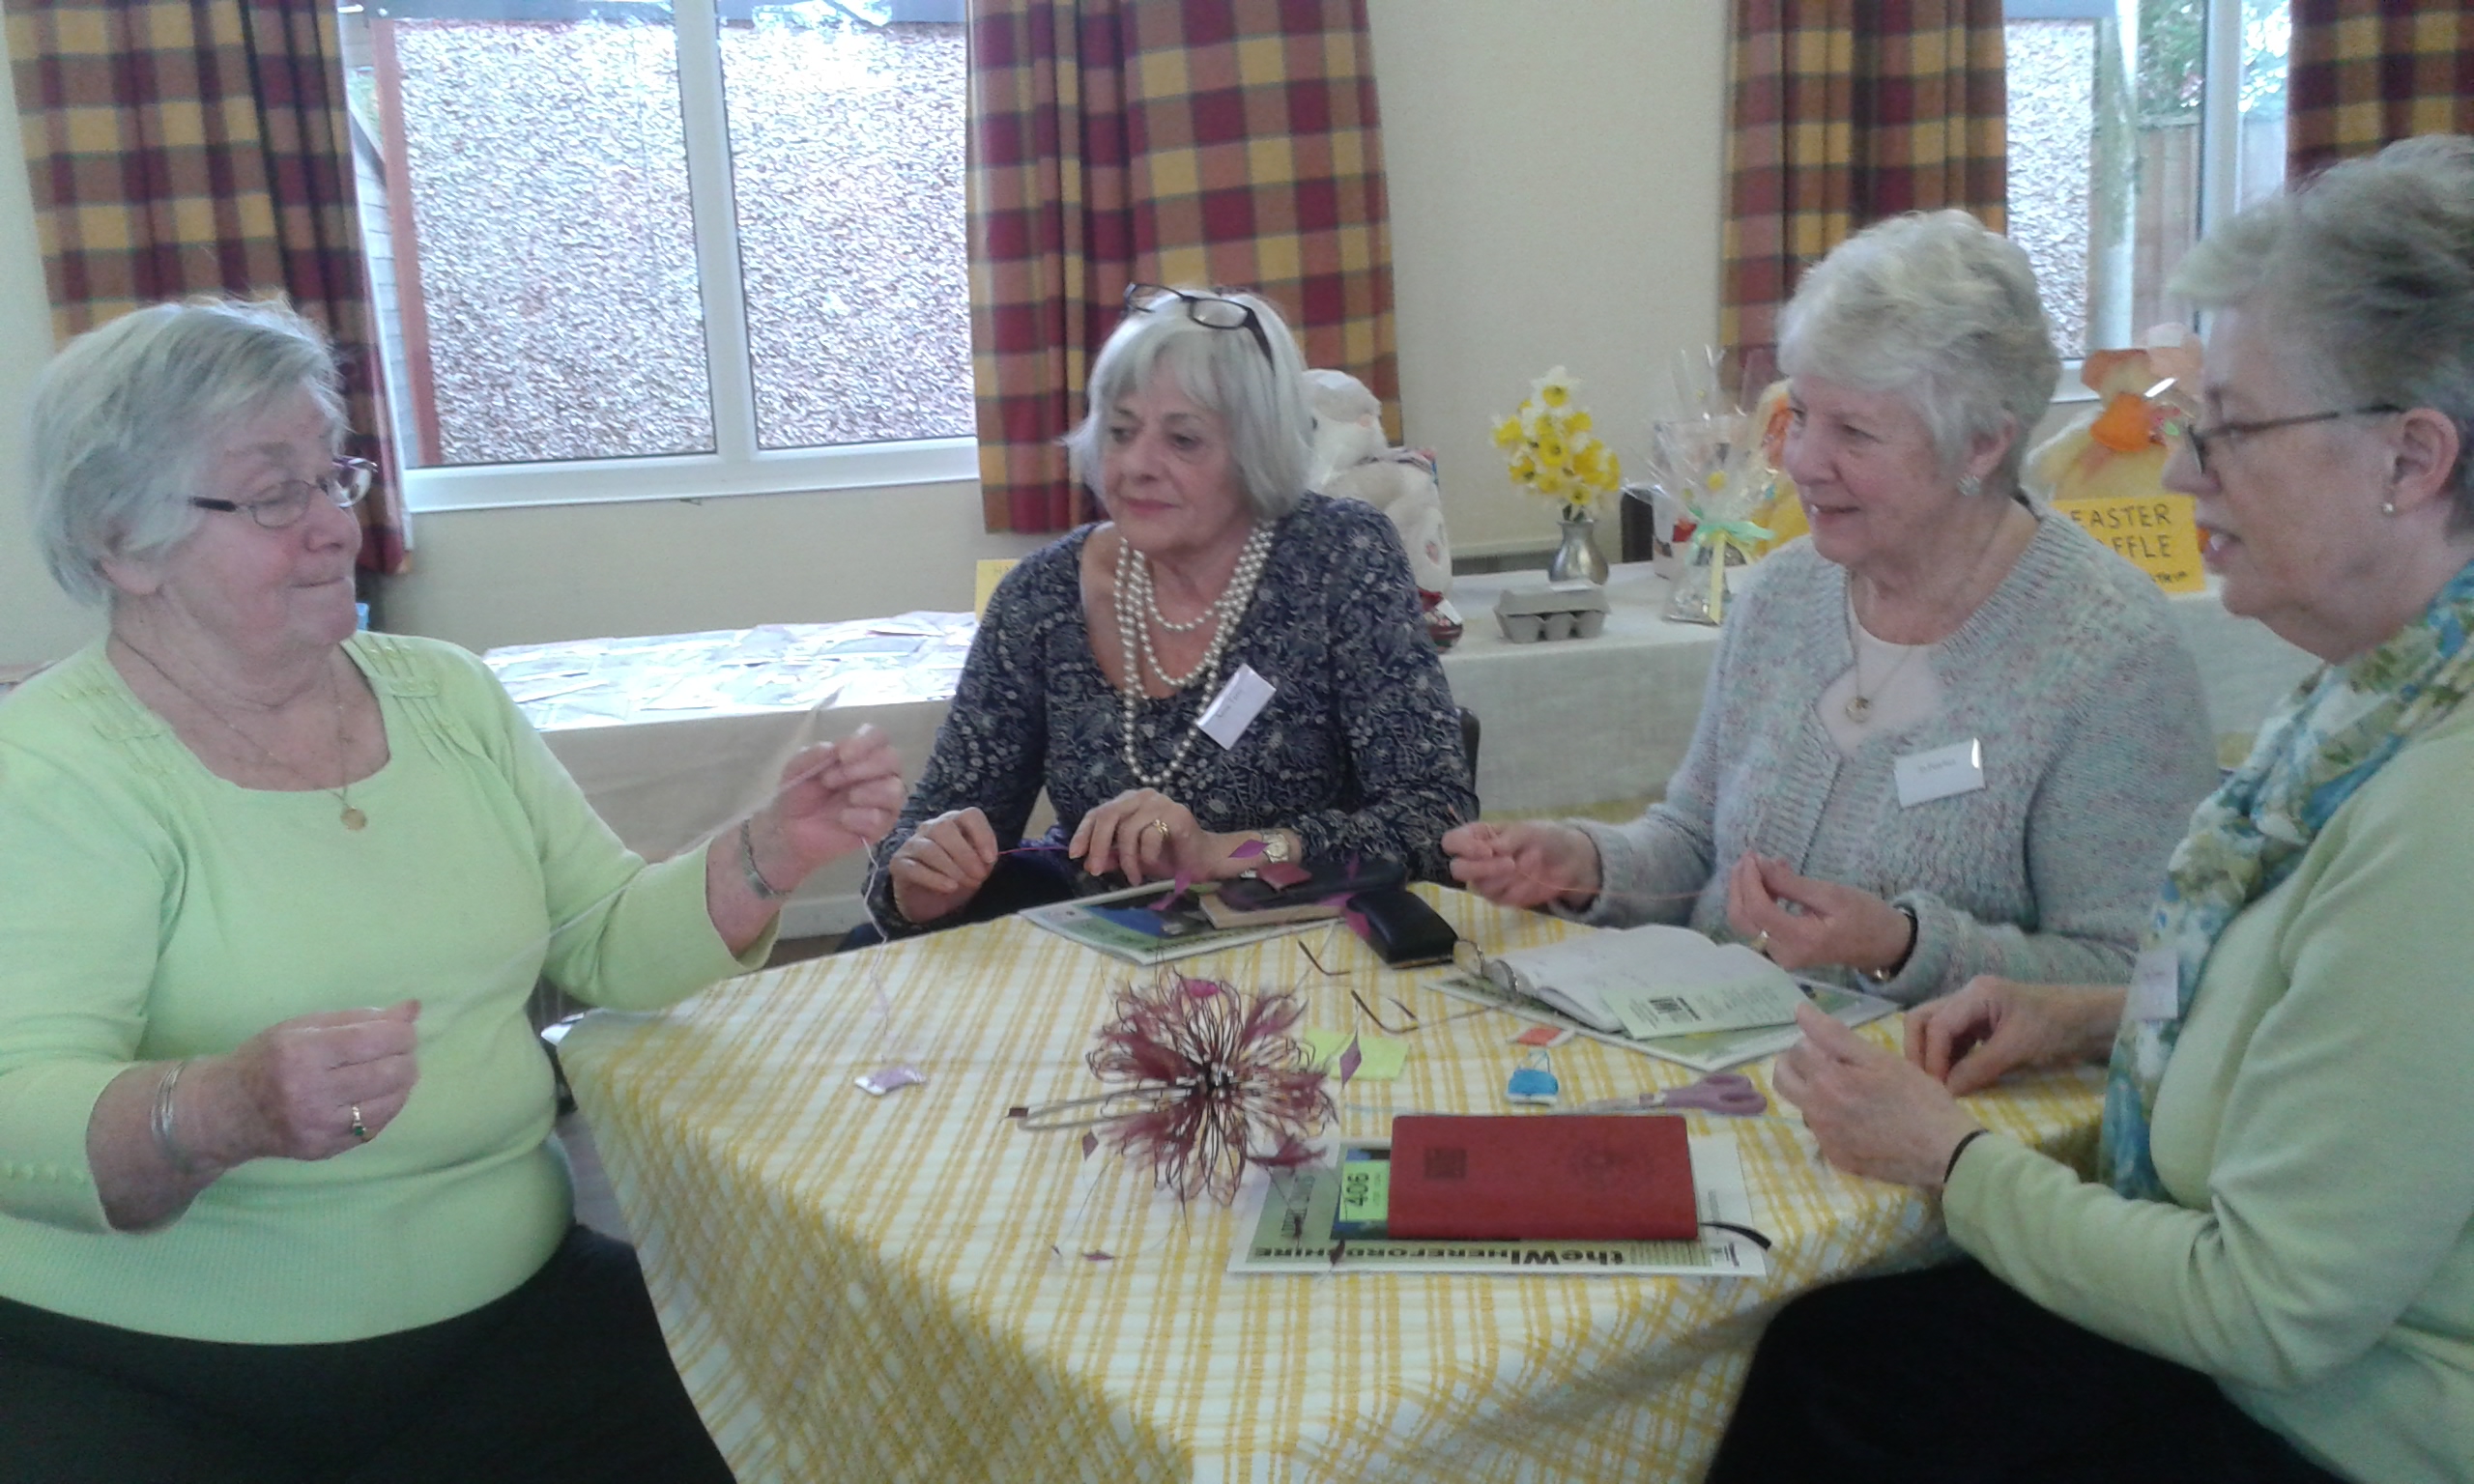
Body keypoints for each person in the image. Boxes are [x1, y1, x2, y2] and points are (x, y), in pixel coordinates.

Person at [0, 299, 906, 1482]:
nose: (333, 527)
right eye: (274, 495)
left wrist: (766, 852)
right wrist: (223, 1107)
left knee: (803, 1420)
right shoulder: (54, 767)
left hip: (507, 1311)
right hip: (155, 1364)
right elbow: (17, 1104)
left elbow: (603, 941)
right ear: (121, 541)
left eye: (335, 478)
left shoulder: (445, 697)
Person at [1714, 136, 2474, 1484]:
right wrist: (2087, 1013)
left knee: (1833, 1379)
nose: (2180, 475)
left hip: (2343, 1433)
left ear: (2412, 460)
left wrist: (1951, 1158)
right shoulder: (2371, 704)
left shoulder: (2443, 798)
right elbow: (2344, 1029)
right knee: (1836, 1351)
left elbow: (2268, 1307)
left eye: (2229, 427)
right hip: (2276, 1372)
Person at [1444, 212, 2219, 1001]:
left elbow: (2140, 977)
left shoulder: (2109, 653)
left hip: (1930, 1109)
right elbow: (1693, 840)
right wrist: (1584, 864)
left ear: (1982, 444)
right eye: (1802, 417)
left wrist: (1905, 946)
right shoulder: (1783, 594)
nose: (1803, 463)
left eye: (1854, 432)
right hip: (1733, 1075)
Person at [866, 284, 1473, 935]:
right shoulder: (1040, 598)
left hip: (1311, 950)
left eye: (1183, 440)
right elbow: (929, 836)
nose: (1136, 465)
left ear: (1256, 448)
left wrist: (1228, 852)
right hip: (1094, 961)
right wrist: (923, 883)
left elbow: (1435, 821)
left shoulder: (1338, 557)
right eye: (1121, 432)